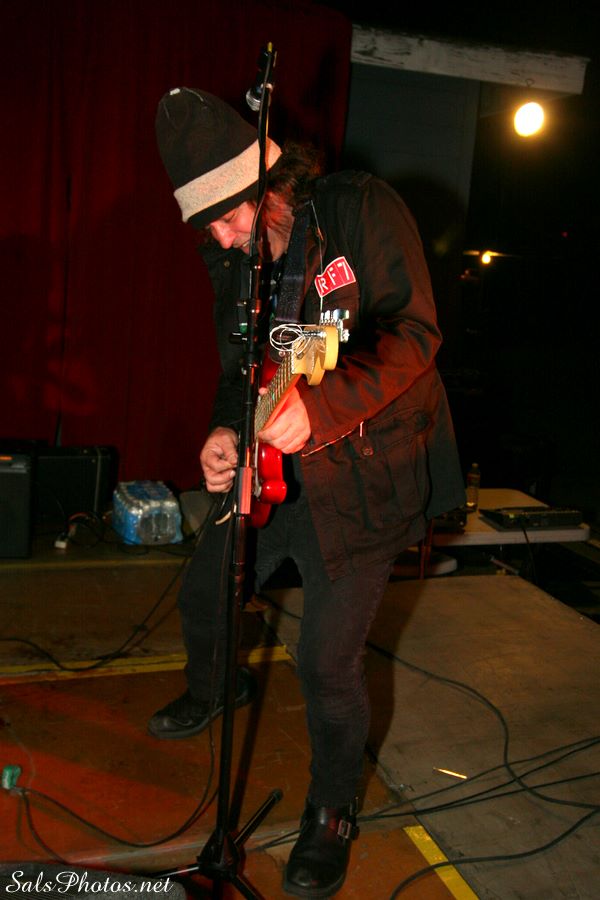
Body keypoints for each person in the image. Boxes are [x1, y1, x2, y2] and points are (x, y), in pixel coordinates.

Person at [151, 86, 466, 898]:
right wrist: (224, 432)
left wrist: (320, 410)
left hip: (366, 474)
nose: (222, 239)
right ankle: (218, 686)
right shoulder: (233, 257)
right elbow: (239, 371)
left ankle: (331, 811)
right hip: (274, 472)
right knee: (206, 594)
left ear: (268, 186)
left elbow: (415, 335)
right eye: (207, 227)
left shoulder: (361, 208)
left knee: (327, 661)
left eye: (228, 218)